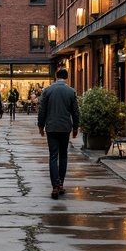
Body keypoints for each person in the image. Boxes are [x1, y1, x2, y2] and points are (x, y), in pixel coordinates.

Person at [37, 67, 80, 199]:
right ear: (66, 77)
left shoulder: (47, 90)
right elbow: (75, 112)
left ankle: (54, 186)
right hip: (65, 127)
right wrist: (75, 128)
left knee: (53, 156)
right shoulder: (71, 91)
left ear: (56, 77)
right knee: (63, 156)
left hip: (51, 127)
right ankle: (61, 183)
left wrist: (41, 125)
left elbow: (42, 109)